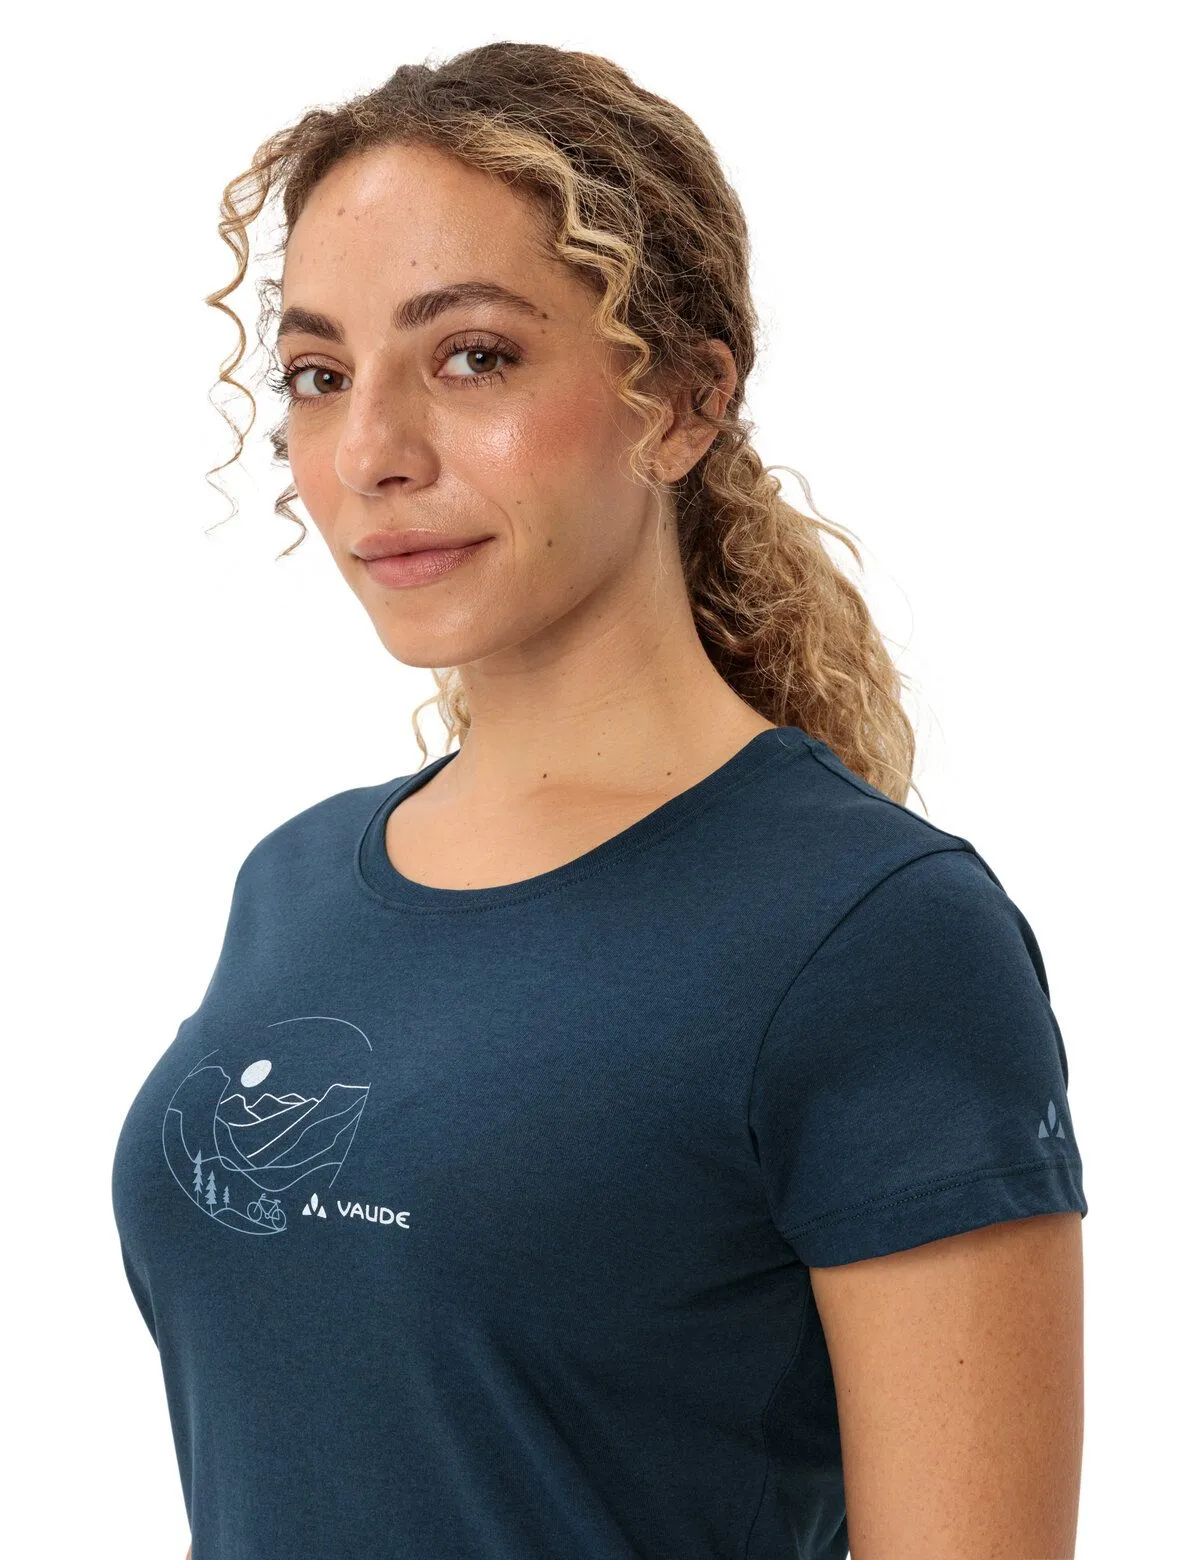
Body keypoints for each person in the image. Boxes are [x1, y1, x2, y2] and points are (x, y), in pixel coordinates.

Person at [111, 41, 1087, 1560]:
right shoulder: (291, 885)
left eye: (472, 357)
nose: (371, 453)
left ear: (683, 400)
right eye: (318, 375)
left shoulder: (872, 935)